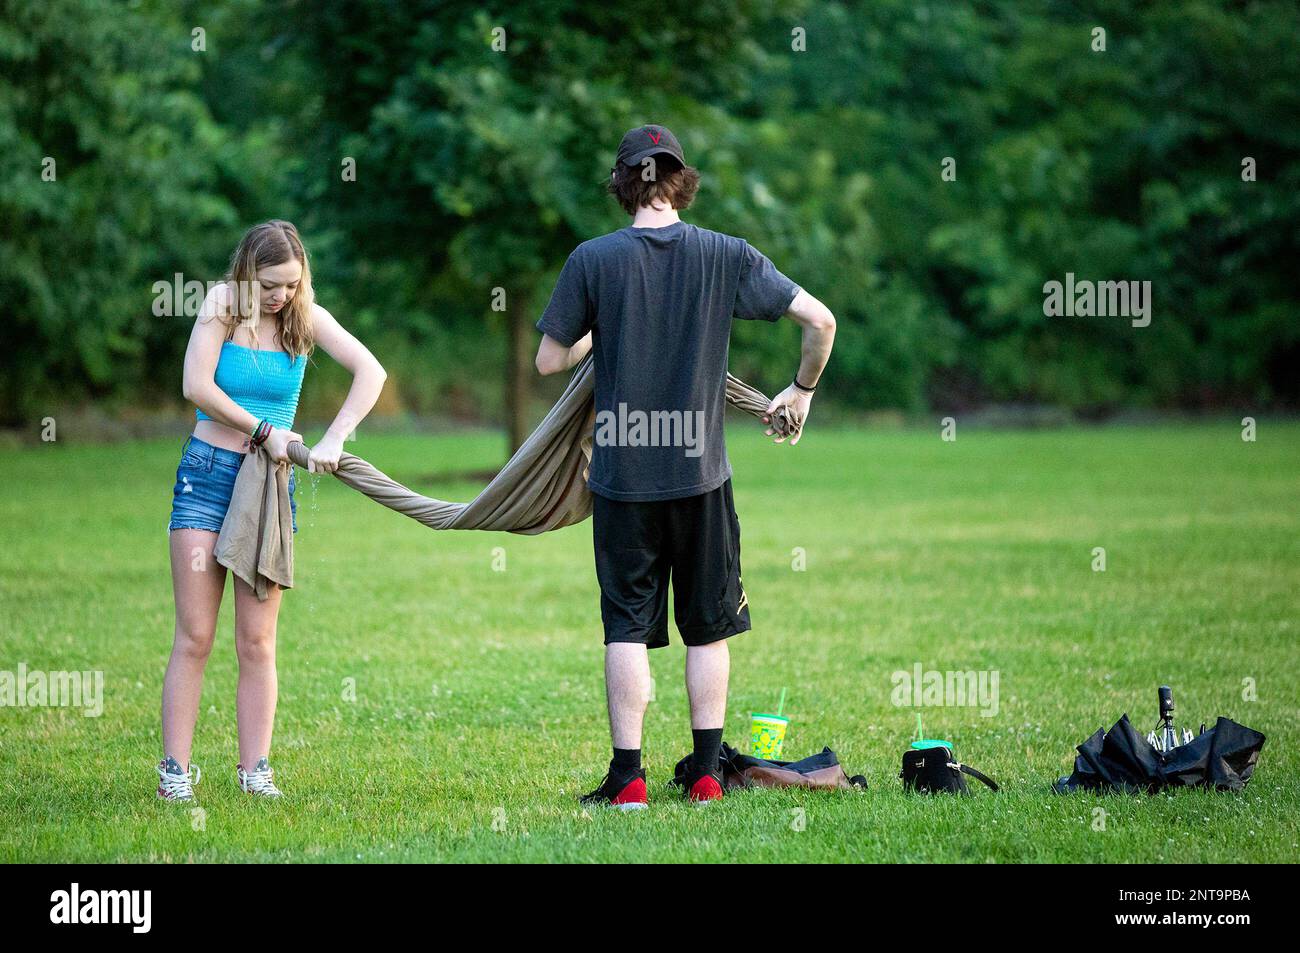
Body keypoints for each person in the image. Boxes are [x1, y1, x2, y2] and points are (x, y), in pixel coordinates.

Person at [535, 125, 836, 806]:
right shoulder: (726, 254)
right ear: (679, 182)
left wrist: (598, 328)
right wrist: (802, 391)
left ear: (621, 185)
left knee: (626, 628)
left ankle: (628, 780)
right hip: (703, 478)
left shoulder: (593, 259)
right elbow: (822, 322)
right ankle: (705, 775)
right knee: (709, 627)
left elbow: (550, 359)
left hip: (621, 478)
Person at [159, 221, 387, 801]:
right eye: (268, 286)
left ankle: (254, 770)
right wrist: (265, 430)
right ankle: (175, 774)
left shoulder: (303, 317)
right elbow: (196, 386)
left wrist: (335, 438)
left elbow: (371, 371)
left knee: (257, 642)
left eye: (289, 284)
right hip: (207, 476)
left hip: (267, 489)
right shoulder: (220, 306)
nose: (279, 296)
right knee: (196, 635)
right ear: (245, 275)